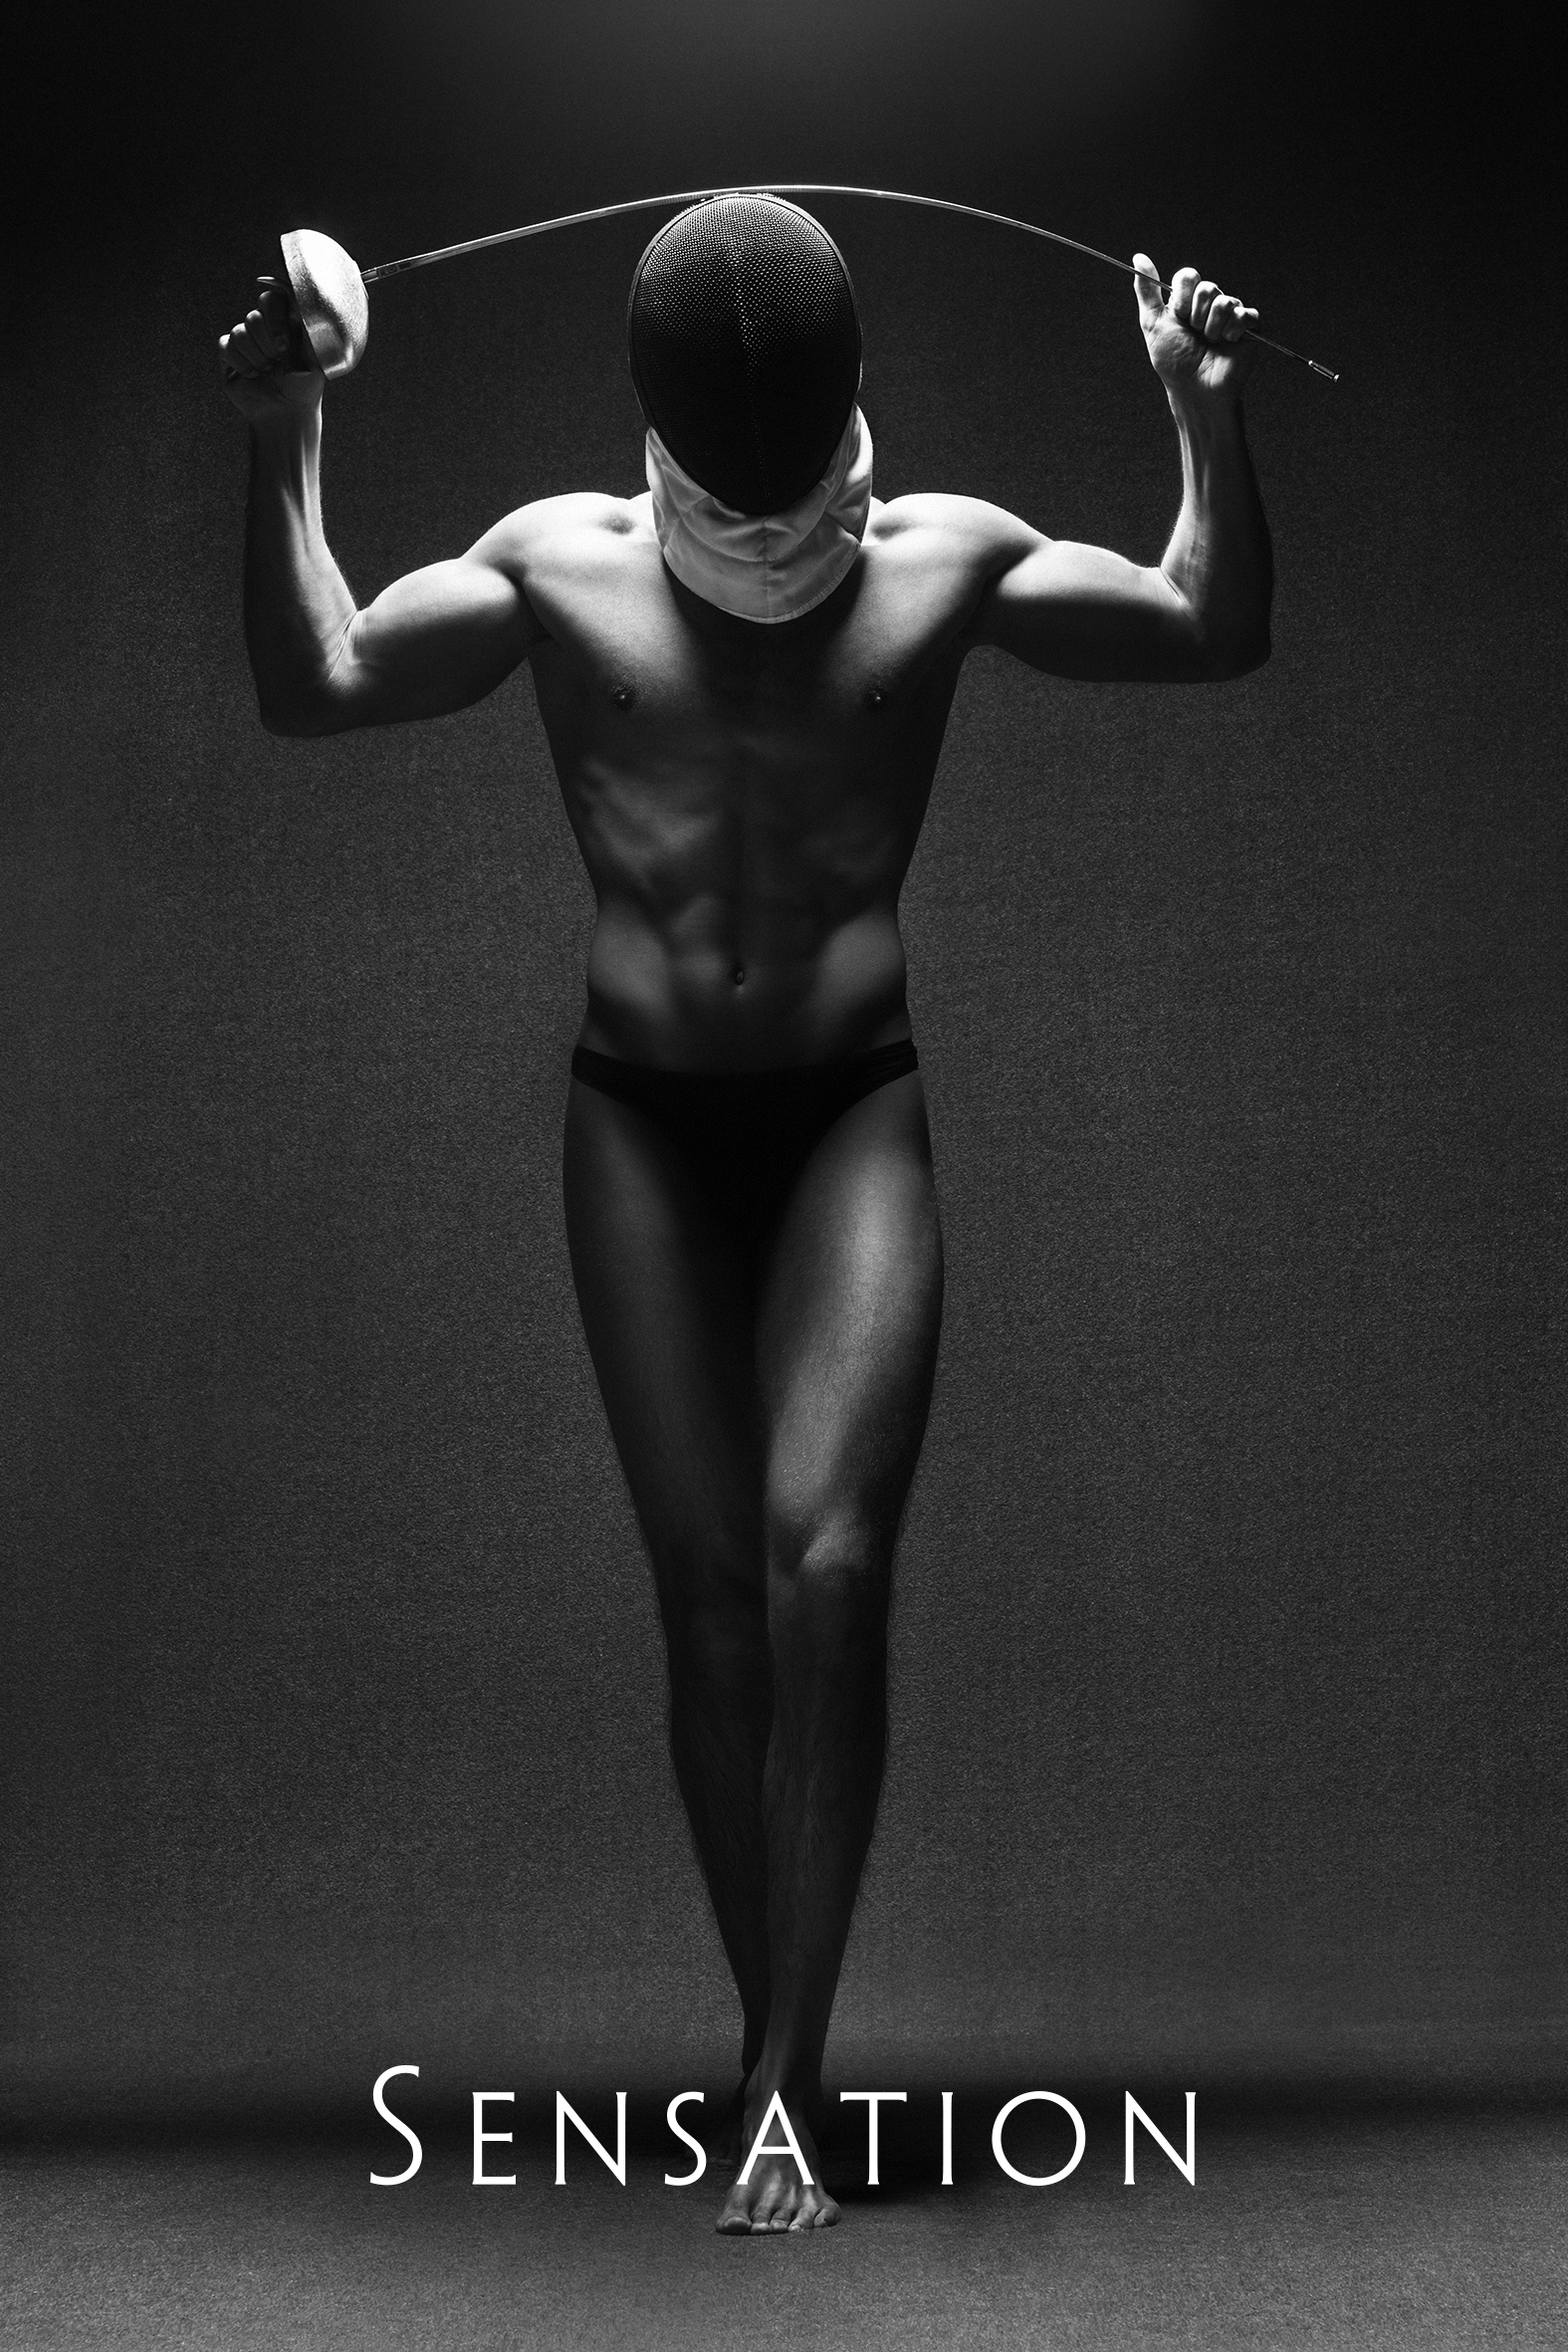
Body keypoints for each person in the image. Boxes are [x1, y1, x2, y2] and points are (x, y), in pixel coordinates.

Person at [219, 193, 1271, 2234]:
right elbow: (318, 677)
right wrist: (286, 439)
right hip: (641, 1127)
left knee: (831, 1568)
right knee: (710, 1597)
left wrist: (1200, 410)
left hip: (845, 1113)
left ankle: (789, 2074)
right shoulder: (557, 565)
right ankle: (764, 2047)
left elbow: (1205, 621)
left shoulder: (946, 557)